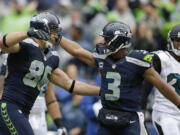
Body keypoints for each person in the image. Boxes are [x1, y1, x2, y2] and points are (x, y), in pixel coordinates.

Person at [58, 21, 180, 135]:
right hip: (107, 116)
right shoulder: (103, 58)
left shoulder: (137, 60)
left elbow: (162, 86)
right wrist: (59, 38)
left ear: (117, 41)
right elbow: (77, 51)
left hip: (130, 118)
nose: (103, 43)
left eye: (107, 39)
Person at [0, 12, 100, 135]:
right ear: (43, 29)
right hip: (9, 106)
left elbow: (70, 85)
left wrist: (101, 91)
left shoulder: (51, 57)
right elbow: (3, 43)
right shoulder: (25, 46)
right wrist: (27, 33)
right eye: (53, 30)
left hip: (25, 112)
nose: (55, 35)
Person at [141, 24, 180, 135]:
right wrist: (141, 115)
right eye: (178, 40)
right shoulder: (162, 59)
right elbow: (144, 89)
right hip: (166, 114)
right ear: (171, 41)